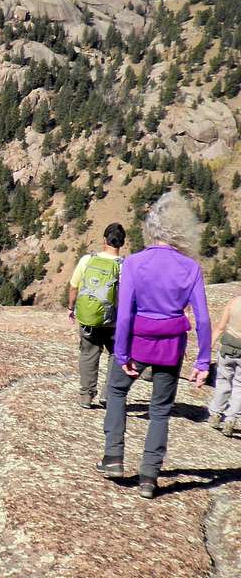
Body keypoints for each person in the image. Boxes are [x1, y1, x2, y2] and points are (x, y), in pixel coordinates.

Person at [97, 191, 211, 499]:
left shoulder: (134, 262)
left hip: (138, 342)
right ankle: (149, 476)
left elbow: (124, 315)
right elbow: (202, 319)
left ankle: (113, 457)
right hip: (171, 346)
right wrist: (202, 363)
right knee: (160, 410)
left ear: (151, 228)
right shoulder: (191, 268)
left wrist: (121, 353)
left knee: (117, 391)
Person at [68, 223, 126, 409]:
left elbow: (74, 286)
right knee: (116, 354)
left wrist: (71, 307)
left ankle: (86, 396)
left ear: (104, 240)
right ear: (122, 243)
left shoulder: (87, 260)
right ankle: (108, 395)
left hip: (89, 317)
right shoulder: (125, 266)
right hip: (114, 321)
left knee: (88, 354)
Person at [208, 294, 241, 437]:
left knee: (223, 381)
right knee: (239, 387)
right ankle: (231, 419)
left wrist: (207, 348)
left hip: (227, 349)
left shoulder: (234, 302)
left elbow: (220, 327)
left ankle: (216, 414)